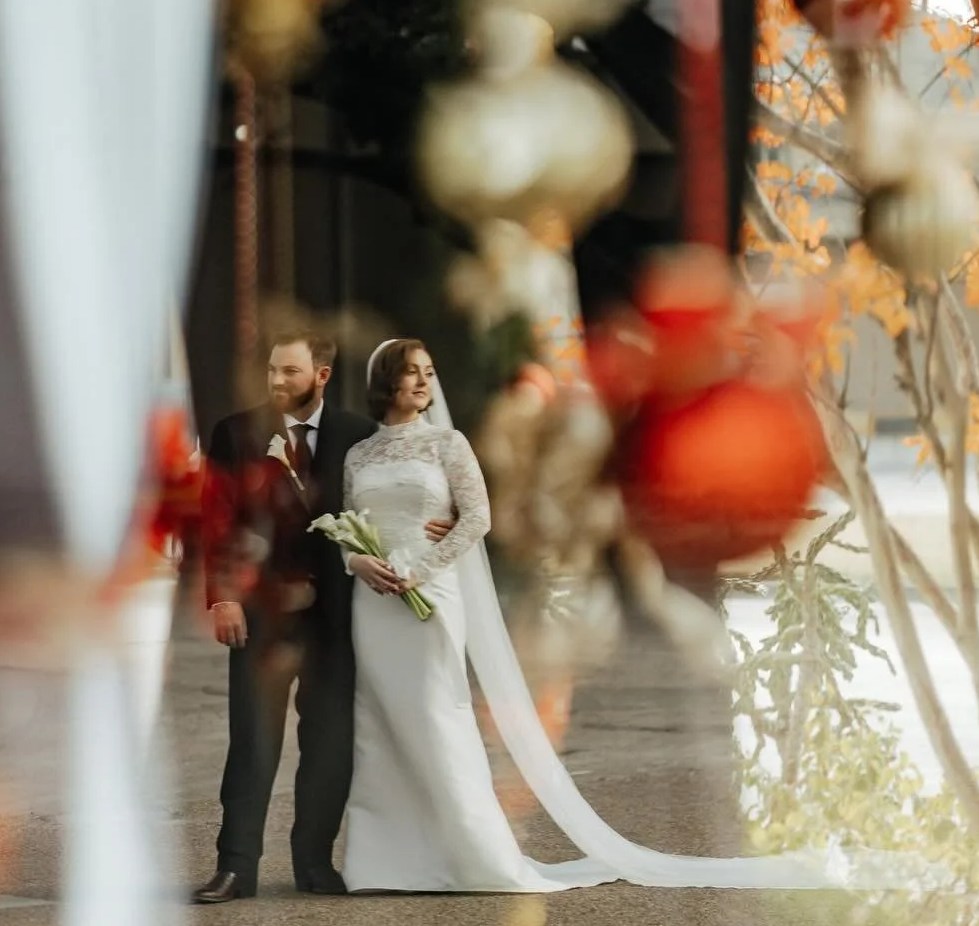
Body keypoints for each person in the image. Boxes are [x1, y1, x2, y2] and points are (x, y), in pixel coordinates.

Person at [340, 339, 830, 894]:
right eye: (412, 374)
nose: (424, 383)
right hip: (373, 601)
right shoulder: (359, 456)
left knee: (436, 713)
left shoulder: (447, 445)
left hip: (429, 596)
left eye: (430, 372)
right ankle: (383, 862)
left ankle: (473, 855)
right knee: (379, 721)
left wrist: (420, 569)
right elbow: (348, 525)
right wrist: (358, 561)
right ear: (386, 382)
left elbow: (477, 519)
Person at [192, 330, 452, 903]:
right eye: (271, 370)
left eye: (289, 371)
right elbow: (217, 518)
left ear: (322, 375)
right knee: (253, 742)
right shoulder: (234, 433)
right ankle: (236, 867)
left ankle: (314, 863)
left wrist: (442, 517)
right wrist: (224, 596)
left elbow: (397, 498)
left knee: (330, 745)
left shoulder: (359, 436)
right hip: (260, 612)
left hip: (339, 615)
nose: (276, 382)